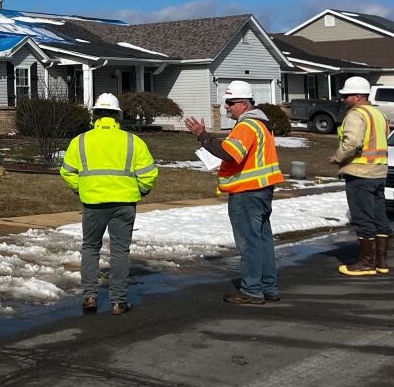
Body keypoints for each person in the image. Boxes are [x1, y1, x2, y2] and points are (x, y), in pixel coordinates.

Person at [183, 80, 283, 305]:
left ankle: (252, 290)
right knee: (263, 241)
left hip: (247, 193)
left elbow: (229, 153)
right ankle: (268, 287)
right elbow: (244, 159)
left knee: (250, 243)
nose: (226, 106)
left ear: (244, 104)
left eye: (230, 102)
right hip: (261, 190)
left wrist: (203, 135)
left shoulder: (246, 126)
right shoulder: (261, 125)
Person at [60, 93, 159, 316]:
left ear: (95, 115)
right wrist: (141, 191)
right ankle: (118, 302)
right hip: (124, 203)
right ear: (118, 116)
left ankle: (90, 298)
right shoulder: (133, 141)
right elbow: (149, 174)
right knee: (120, 252)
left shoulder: (81, 141)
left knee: (90, 248)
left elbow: (67, 171)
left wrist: (80, 189)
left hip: (93, 203)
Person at [331, 77, 391, 276]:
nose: (343, 99)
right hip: (379, 173)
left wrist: (337, 158)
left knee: (363, 217)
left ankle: (366, 263)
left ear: (358, 97)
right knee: (379, 217)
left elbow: (352, 143)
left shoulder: (356, 115)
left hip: (360, 174)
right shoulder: (378, 114)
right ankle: (381, 262)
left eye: (346, 95)